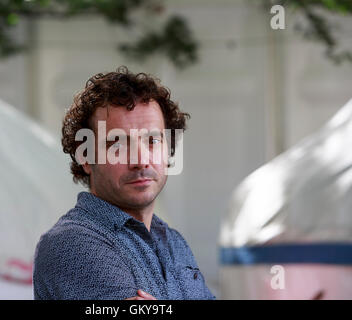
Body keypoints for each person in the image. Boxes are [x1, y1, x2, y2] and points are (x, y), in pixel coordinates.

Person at [33, 66, 215, 300]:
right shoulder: (73, 244)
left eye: (152, 141)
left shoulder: (173, 241)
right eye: (118, 144)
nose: (140, 160)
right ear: (86, 158)